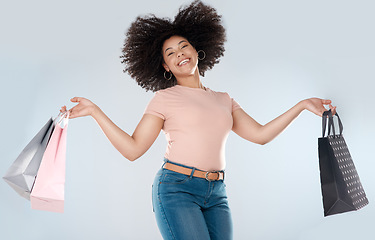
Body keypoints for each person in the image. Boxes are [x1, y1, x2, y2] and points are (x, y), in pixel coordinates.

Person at [61, 1, 336, 239]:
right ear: (166, 67)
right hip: (176, 189)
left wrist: (300, 106)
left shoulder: (224, 99)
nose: (180, 53)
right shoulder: (164, 98)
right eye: (171, 53)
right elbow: (133, 149)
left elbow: (261, 135)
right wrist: (96, 112)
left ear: (197, 49)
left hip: (217, 193)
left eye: (184, 46)